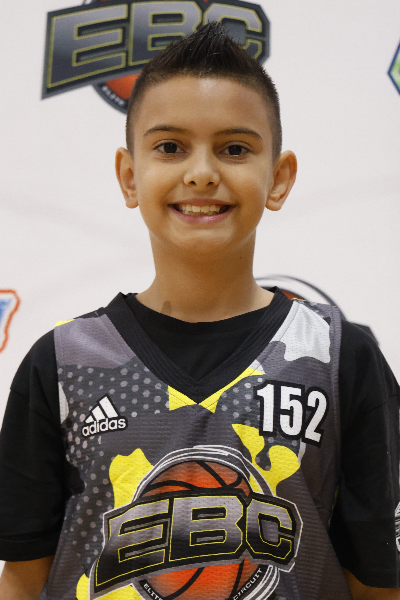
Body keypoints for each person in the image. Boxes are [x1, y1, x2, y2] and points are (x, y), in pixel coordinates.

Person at [0, 22, 399, 600]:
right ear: (129, 176)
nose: (202, 172)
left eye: (235, 149)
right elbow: (22, 577)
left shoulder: (338, 359)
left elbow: (377, 585)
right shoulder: (62, 363)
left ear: (279, 178)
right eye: (170, 147)